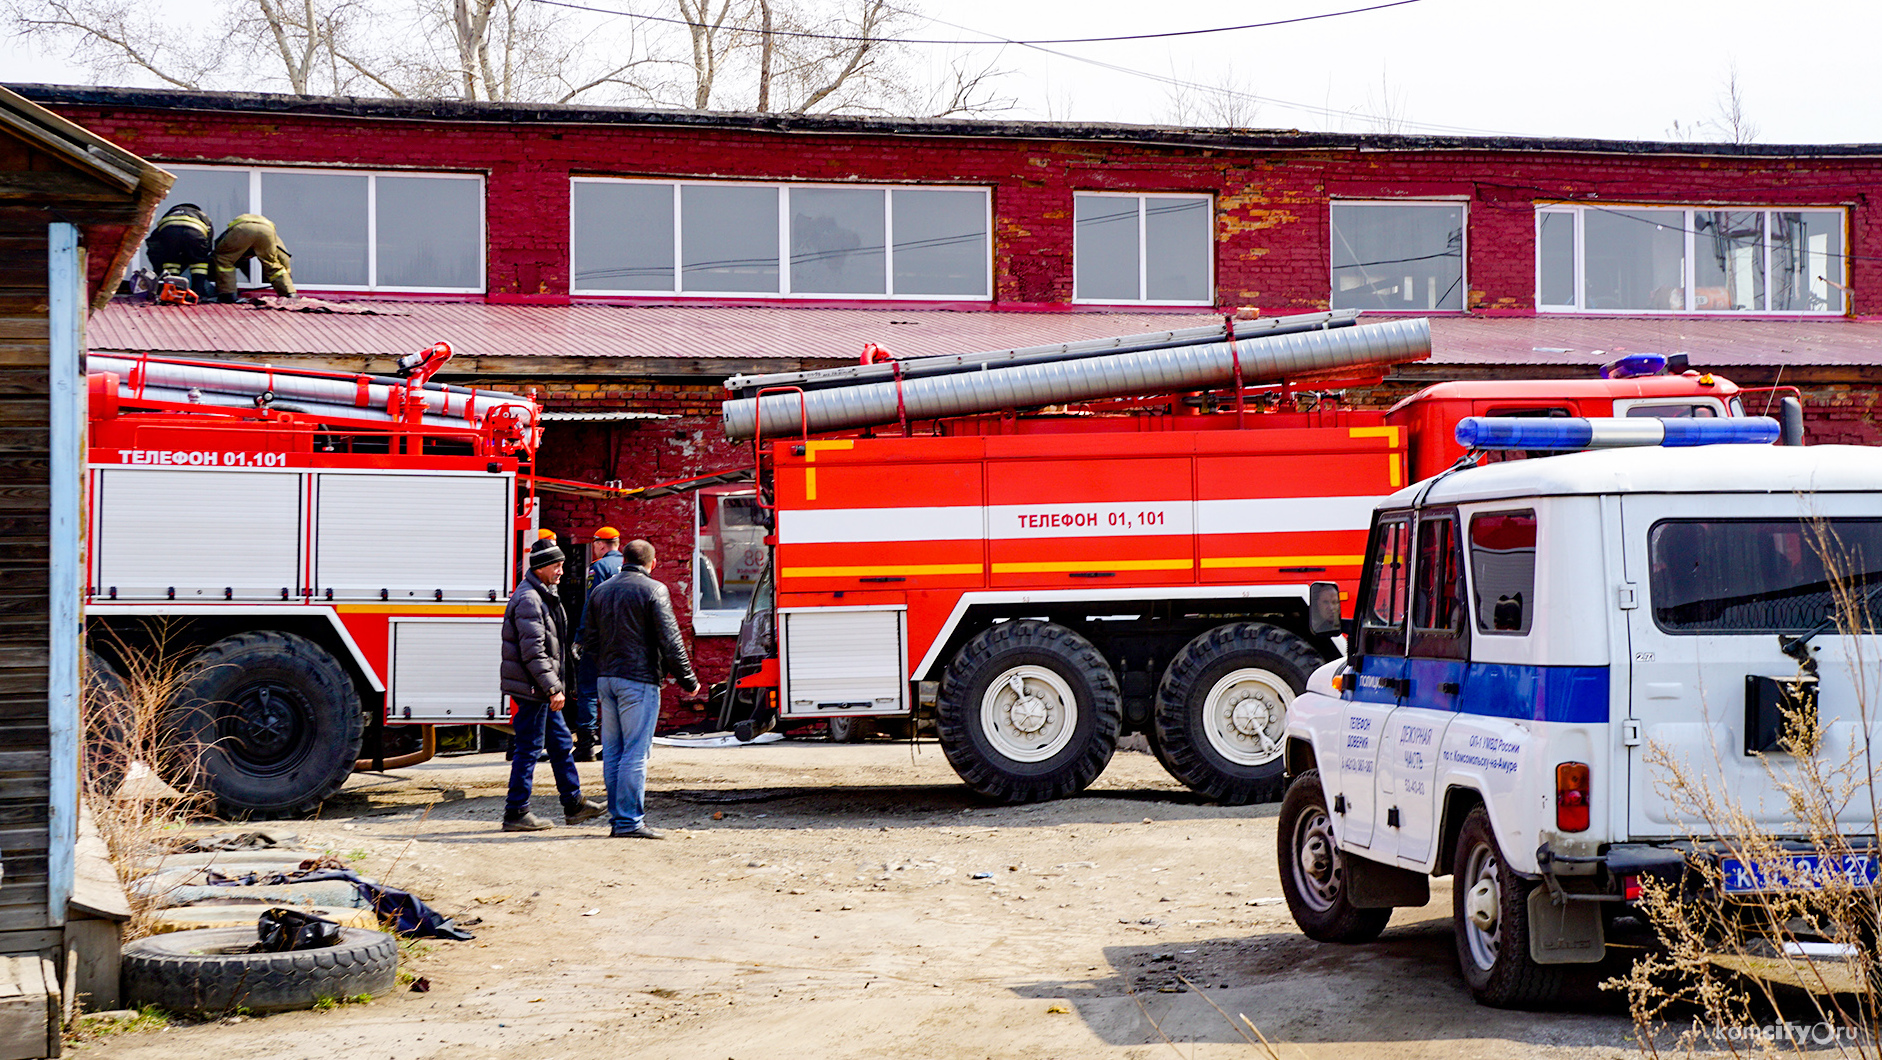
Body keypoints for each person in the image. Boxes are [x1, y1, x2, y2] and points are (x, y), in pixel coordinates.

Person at [581, 538, 699, 839]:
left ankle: (618, 819)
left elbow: (589, 640)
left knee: (613, 751)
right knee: (635, 752)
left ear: (623, 561)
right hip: (639, 680)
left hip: (606, 679)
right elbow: (670, 641)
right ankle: (629, 822)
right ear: (653, 563)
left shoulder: (600, 590)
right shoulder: (654, 590)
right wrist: (689, 681)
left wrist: (607, 664)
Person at [499, 536, 605, 832]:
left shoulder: (541, 594)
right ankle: (516, 812)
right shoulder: (529, 599)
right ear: (542, 567)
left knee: (560, 744)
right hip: (534, 689)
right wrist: (552, 688)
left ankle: (574, 805)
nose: (561, 570)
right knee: (529, 748)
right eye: (557, 565)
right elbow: (534, 651)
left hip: (539, 687)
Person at [570, 527, 625, 763]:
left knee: (588, 689)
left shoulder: (599, 567)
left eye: (594, 543)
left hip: (600, 639)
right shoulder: (635, 564)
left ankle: (586, 744)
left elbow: (592, 604)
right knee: (622, 691)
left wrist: (580, 636)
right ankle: (615, 745)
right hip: (627, 641)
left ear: (601, 544)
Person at [213, 213, 296, 302]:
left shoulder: (232, 231)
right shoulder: (272, 235)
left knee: (224, 259)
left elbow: (218, 250)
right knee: (272, 264)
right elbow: (283, 256)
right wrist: (287, 278)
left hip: (242, 229)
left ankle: (228, 295)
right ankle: (289, 295)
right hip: (267, 231)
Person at [144, 204, 216, 300]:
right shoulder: (202, 215)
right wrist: (200, 254)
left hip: (170, 233)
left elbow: (156, 238)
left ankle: (173, 292)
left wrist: (159, 266)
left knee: (171, 262)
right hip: (195, 234)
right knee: (199, 264)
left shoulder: (169, 214)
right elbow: (208, 241)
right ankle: (198, 293)